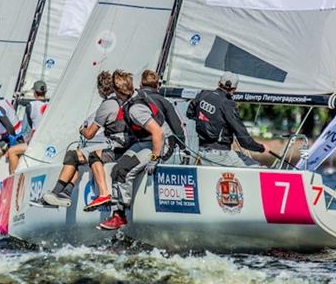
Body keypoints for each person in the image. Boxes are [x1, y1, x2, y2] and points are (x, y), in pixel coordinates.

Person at [97, 69, 186, 230]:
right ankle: (118, 212)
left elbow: (157, 132)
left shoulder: (134, 109)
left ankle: (120, 216)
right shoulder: (134, 97)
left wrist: (155, 158)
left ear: (118, 91)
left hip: (160, 144)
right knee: (117, 169)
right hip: (147, 141)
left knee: (123, 170)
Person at [41, 71, 129, 207]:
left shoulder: (107, 105)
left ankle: (56, 192)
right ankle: (64, 194)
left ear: (100, 89)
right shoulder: (124, 100)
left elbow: (89, 134)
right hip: (124, 146)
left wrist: (82, 129)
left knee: (73, 155)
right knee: (80, 156)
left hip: (115, 148)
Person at [186, 71, 266, 167]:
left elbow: (189, 113)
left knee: (240, 156)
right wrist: (261, 148)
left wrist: (208, 119)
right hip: (221, 155)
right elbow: (245, 142)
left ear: (219, 82)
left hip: (202, 151)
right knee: (257, 167)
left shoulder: (203, 94)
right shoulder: (228, 104)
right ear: (234, 89)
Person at [6, 79, 48, 174]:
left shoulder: (30, 106)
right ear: (45, 92)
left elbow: (26, 129)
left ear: (34, 92)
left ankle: (14, 181)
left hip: (36, 142)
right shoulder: (50, 105)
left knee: (12, 151)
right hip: (47, 142)